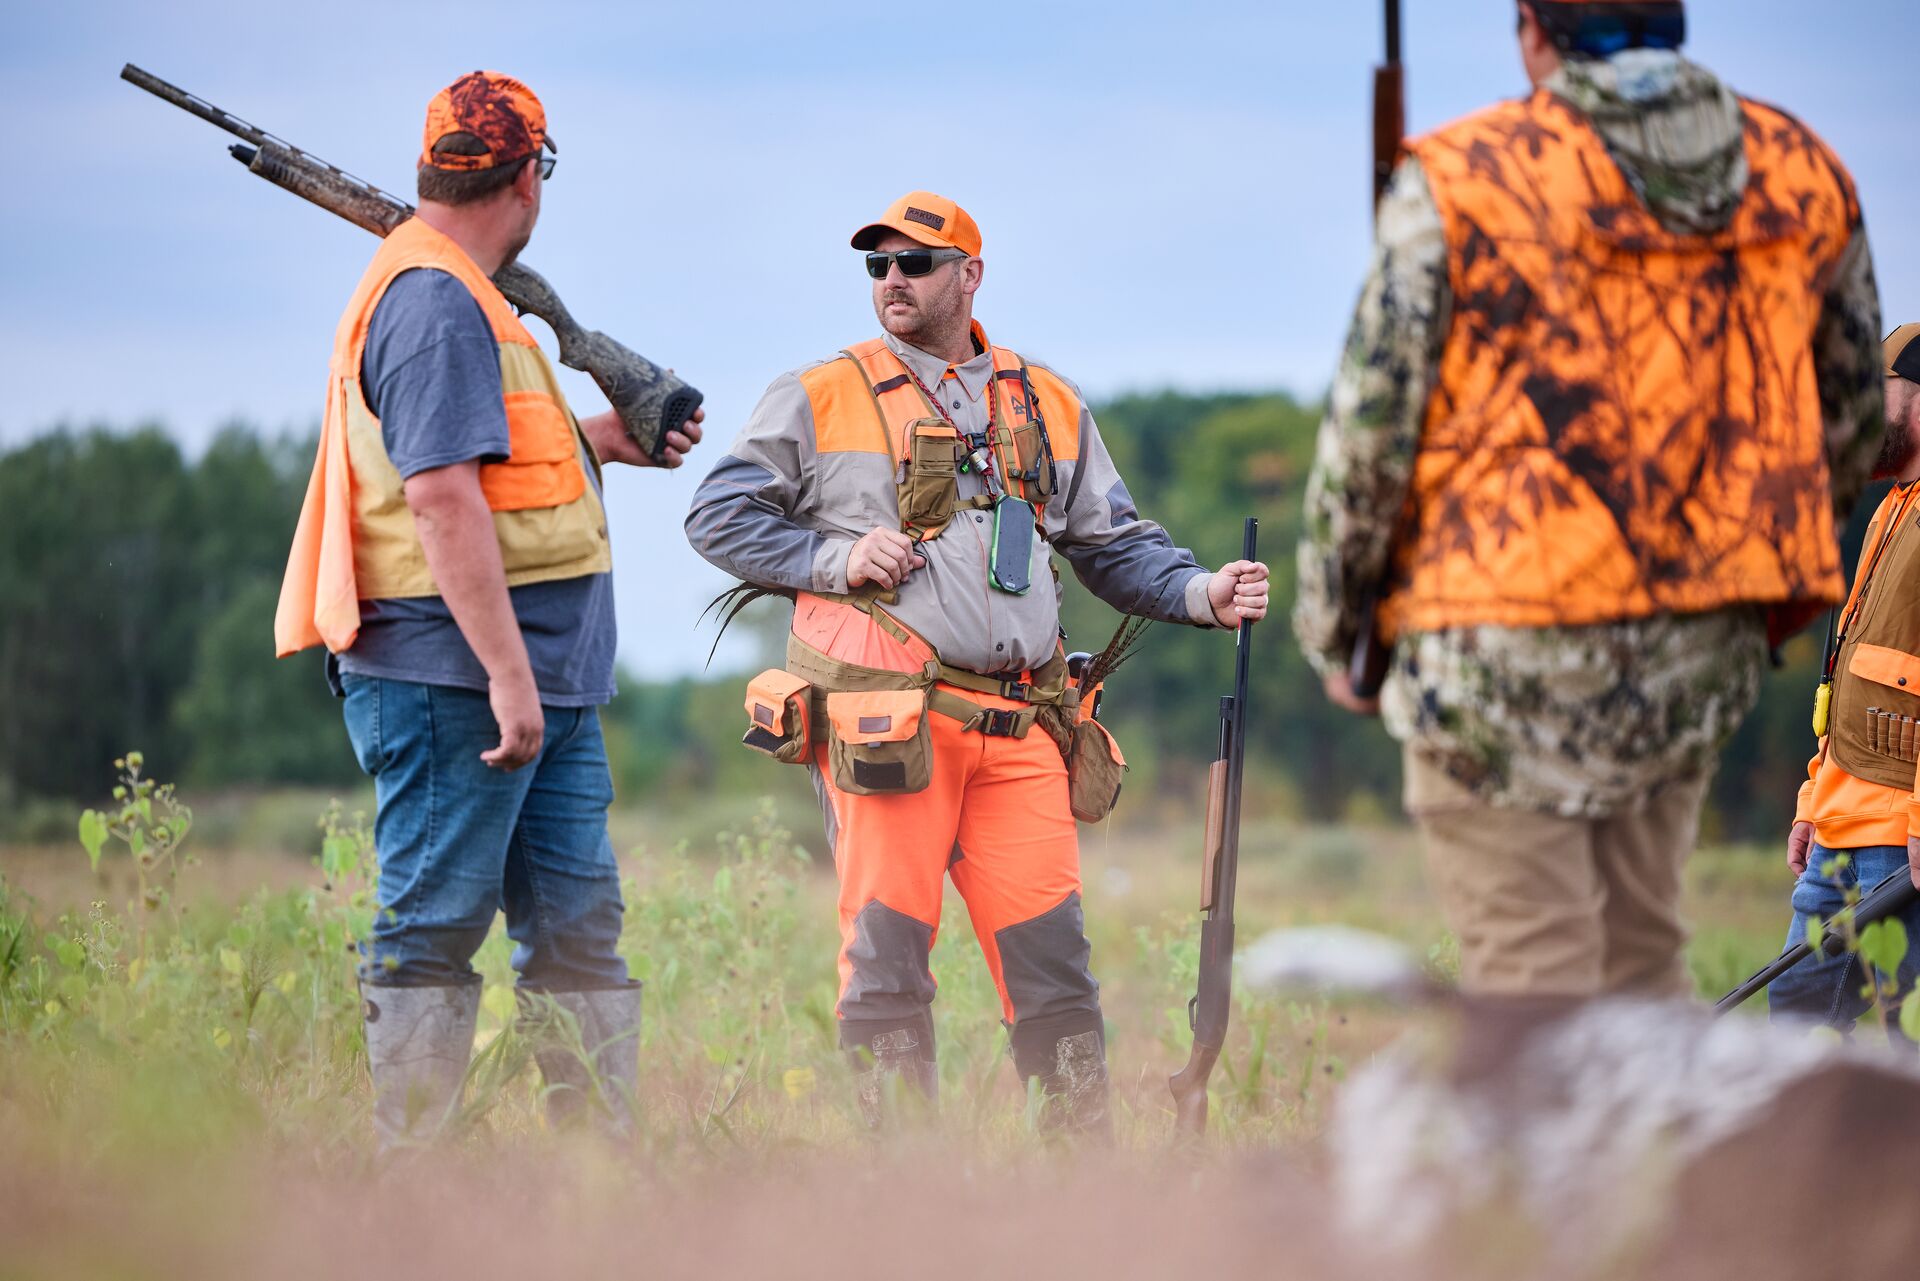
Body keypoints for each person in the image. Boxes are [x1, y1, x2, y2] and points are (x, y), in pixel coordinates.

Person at [1293, 0, 1884, 999]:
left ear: (1534, 28)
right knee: (1642, 958)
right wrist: (1751, 598)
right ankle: (1646, 1104)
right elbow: (1852, 418)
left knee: (1534, 983)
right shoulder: (1802, 170)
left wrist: (1336, 628)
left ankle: (1561, 1104)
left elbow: (1373, 432)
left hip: (1493, 656)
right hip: (1692, 662)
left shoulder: (1466, 172)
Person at [686, 191, 1268, 1132]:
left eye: (914, 262)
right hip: (890, 730)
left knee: (1056, 972)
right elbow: (718, 516)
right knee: (887, 967)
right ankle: (901, 1183)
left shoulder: (1046, 401)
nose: (893, 279)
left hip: (1025, 725)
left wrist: (1205, 592)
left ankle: (1079, 1179)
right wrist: (837, 559)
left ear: (970, 274)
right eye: (878, 265)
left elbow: (1112, 544)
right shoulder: (820, 392)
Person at [274, 71, 703, 1144]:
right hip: (456, 677)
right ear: (529, 178)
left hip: (542, 677)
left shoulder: (475, 299)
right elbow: (440, 497)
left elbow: (488, 462)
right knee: (432, 929)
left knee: (578, 933)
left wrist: (603, 440)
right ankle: (416, 1192)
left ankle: (596, 1178)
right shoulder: (432, 302)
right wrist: (509, 675)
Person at [1771, 325, 1920, 1038]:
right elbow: (1853, 678)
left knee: (1897, 1031)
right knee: (1798, 1016)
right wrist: (1812, 799)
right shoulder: (1890, 512)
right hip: (1838, 827)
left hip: (1899, 837)